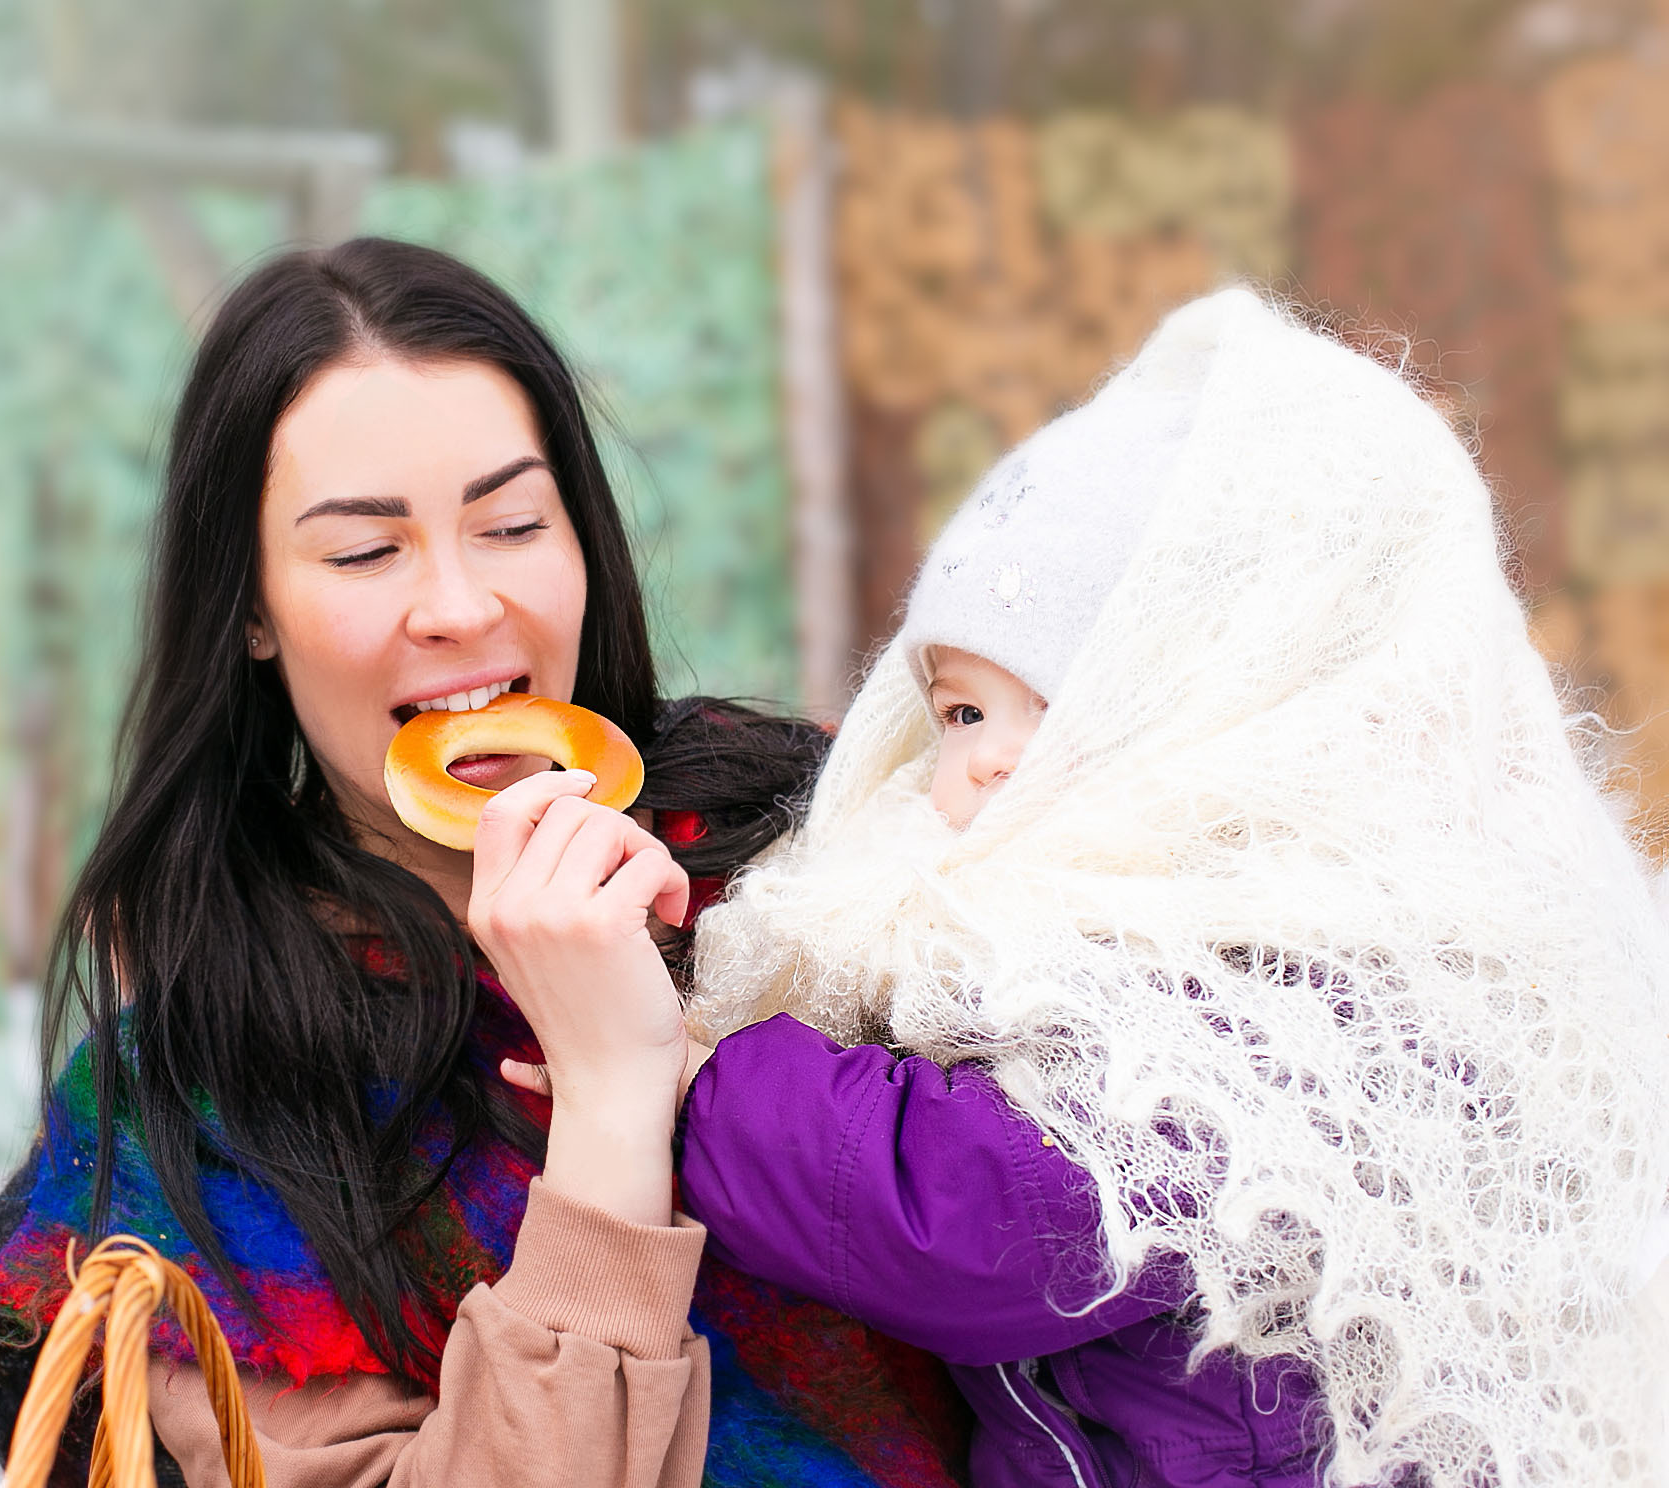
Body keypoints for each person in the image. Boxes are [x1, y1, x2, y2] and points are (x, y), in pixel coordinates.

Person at [518, 288, 1669, 1486]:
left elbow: (988, 1216)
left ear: (1243, 714)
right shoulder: (1082, 925)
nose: (992, 758)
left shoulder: (1284, 979)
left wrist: (691, 1090)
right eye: (962, 712)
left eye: (1067, 710)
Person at [0, 236, 972, 1487]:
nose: (461, 608)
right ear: (250, 609)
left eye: (512, 523)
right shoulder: (199, 1112)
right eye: (366, 552)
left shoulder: (836, 847)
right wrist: (613, 1103)